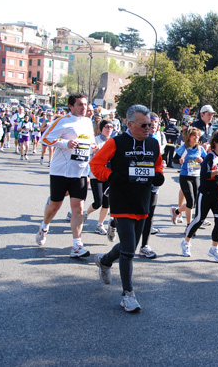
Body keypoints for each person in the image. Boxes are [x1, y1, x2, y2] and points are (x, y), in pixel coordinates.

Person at [90, 104, 164, 313]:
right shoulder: (117, 142)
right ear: (129, 124)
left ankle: (105, 261)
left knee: (127, 246)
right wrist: (112, 176)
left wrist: (159, 175)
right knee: (130, 250)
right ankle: (127, 295)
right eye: (143, 125)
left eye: (150, 124)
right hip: (122, 199)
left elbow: (157, 165)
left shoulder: (152, 143)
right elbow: (96, 165)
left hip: (143, 198)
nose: (148, 128)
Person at [35, 93, 97, 258]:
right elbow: (45, 139)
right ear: (71, 106)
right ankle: (44, 225)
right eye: (80, 105)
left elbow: (89, 143)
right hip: (61, 171)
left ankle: (76, 245)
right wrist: (64, 143)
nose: (84, 108)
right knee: (55, 206)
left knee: (78, 208)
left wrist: (93, 147)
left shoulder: (87, 122)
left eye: (85, 104)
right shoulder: (63, 121)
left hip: (81, 172)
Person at [180, 129, 218, 262]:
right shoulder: (210, 157)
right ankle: (186, 242)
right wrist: (217, 171)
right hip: (206, 194)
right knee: (199, 220)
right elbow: (204, 175)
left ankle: (214, 249)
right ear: (215, 143)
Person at [139, 112, 166, 259]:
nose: (151, 126)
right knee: (135, 213)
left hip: (152, 183)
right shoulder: (130, 139)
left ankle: (144, 245)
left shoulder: (156, 140)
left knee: (149, 214)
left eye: (154, 123)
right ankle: (115, 222)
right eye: (148, 123)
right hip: (135, 184)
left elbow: (158, 161)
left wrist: (159, 171)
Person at [171, 127, 206, 226]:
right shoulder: (184, 148)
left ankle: (177, 211)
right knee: (190, 201)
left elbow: (206, 161)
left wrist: (202, 161)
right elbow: (174, 160)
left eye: (198, 136)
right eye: (194, 135)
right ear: (189, 137)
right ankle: (189, 225)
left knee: (194, 202)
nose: (196, 137)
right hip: (185, 176)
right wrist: (179, 161)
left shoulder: (200, 149)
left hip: (196, 176)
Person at [85, 119, 113, 236]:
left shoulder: (113, 142)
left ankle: (100, 225)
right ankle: (85, 214)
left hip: (108, 175)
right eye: (107, 126)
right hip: (96, 174)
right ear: (101, 128)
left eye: (111, 127)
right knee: (98, 202)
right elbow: (88, 158)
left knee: (107, 203)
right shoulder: (95, 141)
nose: (109, 129)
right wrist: (95, 153)